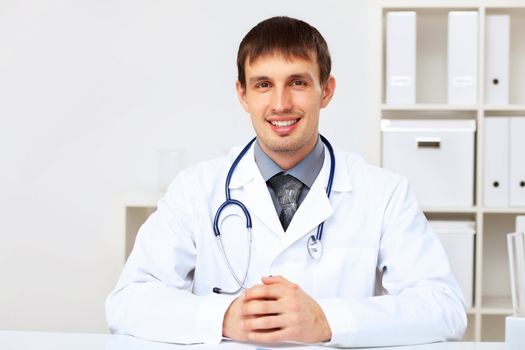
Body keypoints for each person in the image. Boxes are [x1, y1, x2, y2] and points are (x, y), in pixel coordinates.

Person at [105, 16, 467, 347]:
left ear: (326, 90)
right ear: (242, 95)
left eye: (297, 82)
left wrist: (327, 320)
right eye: (263, 84)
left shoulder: (384, 193)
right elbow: (128, 301)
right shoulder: (195, 189)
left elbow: (444, 308)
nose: (280, 103)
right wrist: (223, 317)